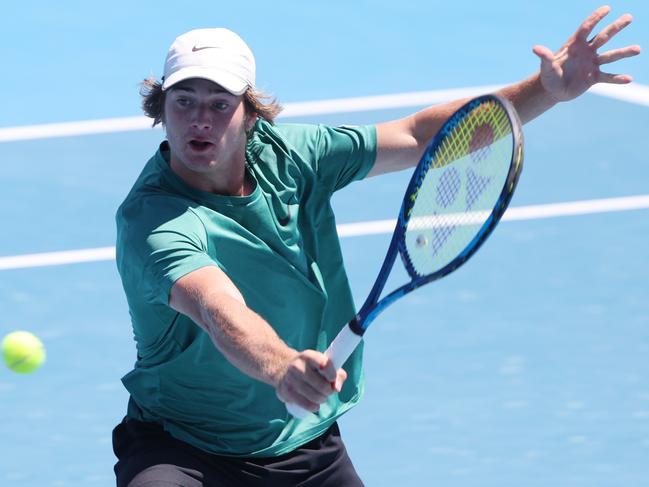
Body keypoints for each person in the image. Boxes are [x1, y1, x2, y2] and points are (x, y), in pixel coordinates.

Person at [112, 6, 640, 486]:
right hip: (183, 448)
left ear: (249, 114)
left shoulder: (295, 158)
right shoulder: (154, 217)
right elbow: (216, 306)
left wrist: (543, 91)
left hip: (303, 445)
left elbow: (417, 137)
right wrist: (282, 369)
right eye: (183, 101)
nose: (200, 119)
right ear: (160, 107)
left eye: (219, 103)